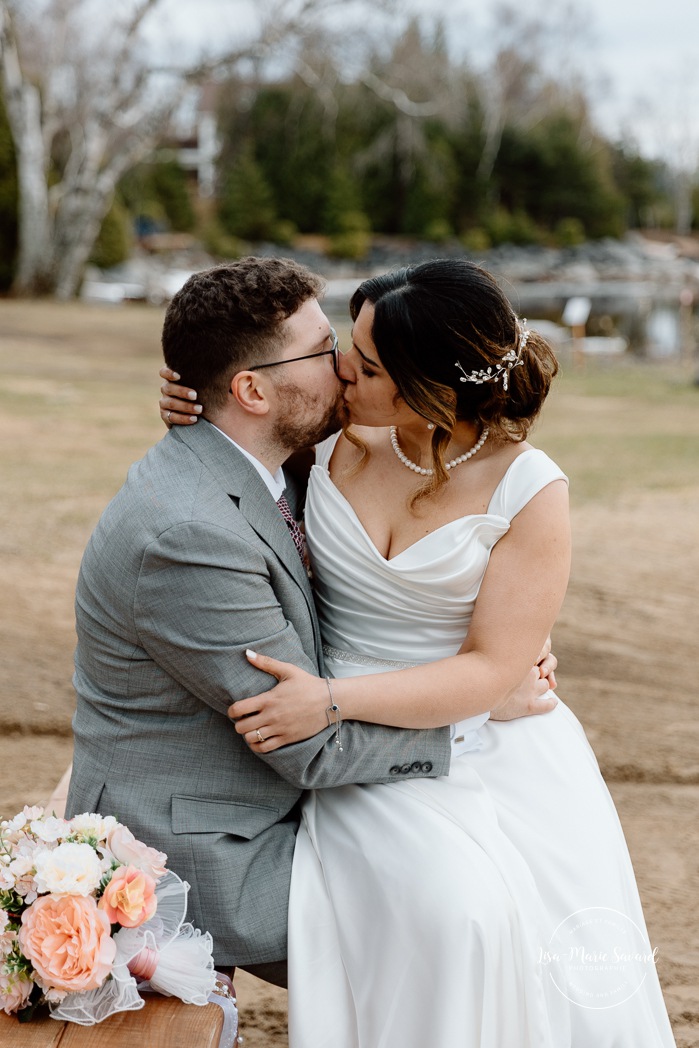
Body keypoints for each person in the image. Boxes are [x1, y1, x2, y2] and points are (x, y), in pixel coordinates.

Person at [162, 259, 675, 1046]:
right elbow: (239, 439)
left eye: (367, 366)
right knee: (450, 914)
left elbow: (492, 670)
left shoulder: (529, 489)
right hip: (357, 756)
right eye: (349, 345)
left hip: (485, 741)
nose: (342, 369)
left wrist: (330, 700)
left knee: (518, 935)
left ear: (425, 390)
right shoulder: (333, 437)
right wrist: (189, 404)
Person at [66, 257, 554, 991]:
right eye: (324, 350)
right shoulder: (189, 536)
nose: (345, 367)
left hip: (281, 788)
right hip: (212, 849)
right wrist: (481, 714)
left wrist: (505, 638)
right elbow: (309, 745)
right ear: (253, 391)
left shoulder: (274, 462)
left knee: (518, 881)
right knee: (459, 925)